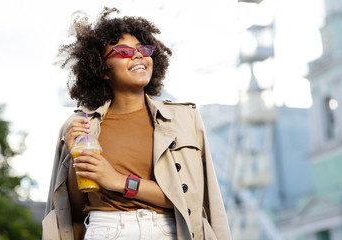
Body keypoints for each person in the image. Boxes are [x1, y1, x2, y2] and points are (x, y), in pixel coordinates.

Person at [43, 6, 231, 240]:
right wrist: (75, 157)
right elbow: (72, 210)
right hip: (105, 230)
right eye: (122, 51)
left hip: (172, 231)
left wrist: (118, 181)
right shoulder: (79, 125)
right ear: (102, 69)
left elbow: (191, 201)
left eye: (143, 49)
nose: (138, 55)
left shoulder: (185, 119)